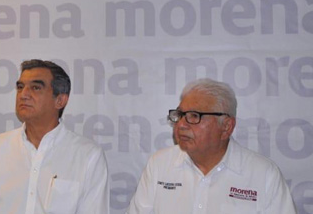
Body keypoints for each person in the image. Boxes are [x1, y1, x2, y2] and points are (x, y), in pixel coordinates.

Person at [126, 79, 297, 213]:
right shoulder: (159, 164)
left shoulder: (264, 174)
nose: (181, 125)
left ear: (226, 126)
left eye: (194, 116)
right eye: (180, 115)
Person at [0, 59, 109, 214]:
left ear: (60, 100)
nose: (23, 95)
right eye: (20, 87)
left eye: (35, 88)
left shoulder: (88, 156)